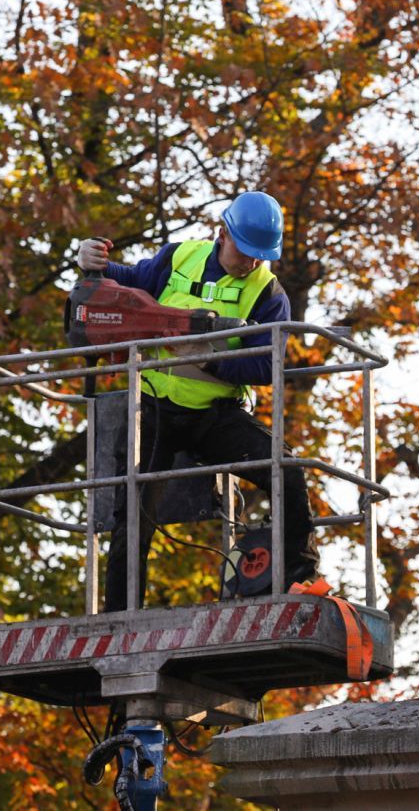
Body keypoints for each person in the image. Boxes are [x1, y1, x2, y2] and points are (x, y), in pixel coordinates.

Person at [77, 191, 319, 610]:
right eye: (246, 251)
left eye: (261, 255)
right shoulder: (178, 258)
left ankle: (300, 580)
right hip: (153, 407)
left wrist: (210, 362)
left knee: (288, 473)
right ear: (221, 233)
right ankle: (120, 614)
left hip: (216, 415)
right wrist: (93, 263)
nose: (252, 262)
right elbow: (131, 284)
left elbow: (267, 366)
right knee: (131, 514)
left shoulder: (269, 292)